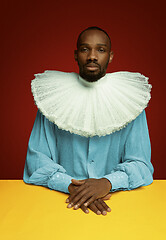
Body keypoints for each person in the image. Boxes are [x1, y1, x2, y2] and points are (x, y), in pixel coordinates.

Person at [23, 26, 154, 216]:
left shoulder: (131, 101)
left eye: (101, 50)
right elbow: (36, 160)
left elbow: (141, 165)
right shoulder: (51, 100)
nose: (92, 56)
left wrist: (108, 183)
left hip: (119, 206)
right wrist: (71, 186)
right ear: (76, 55)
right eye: (85, 49)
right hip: (60, 204)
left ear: (110, 56)